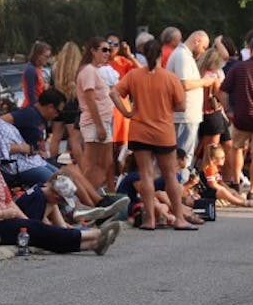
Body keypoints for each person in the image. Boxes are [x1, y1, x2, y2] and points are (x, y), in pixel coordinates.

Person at [0, 138, 119, 253]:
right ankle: (94, 235)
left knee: (36, 232)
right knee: (36, 230)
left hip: (6, 218)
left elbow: (9, 201)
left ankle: (91, 245)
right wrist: (3, 214)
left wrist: (23, 218)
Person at [111, 38, 196, 230]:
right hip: (163, 131)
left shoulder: (134, 76)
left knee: (146, 175)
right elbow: (182, 105)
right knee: (170, 175)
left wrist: (127, 113)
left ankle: (149, 219)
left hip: (139, 131)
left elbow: (114, 93)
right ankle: (180, 219)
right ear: (160, 55)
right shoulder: (170, 78)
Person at [220, 34, 253, 202]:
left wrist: (228, 110)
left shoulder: (239, 67)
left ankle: (235, 182)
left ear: (249, 49)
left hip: (241, 115)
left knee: (237, 148)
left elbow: (223, 90)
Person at [166, 30, 213, 170]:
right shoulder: (182, 56)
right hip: (184, 116)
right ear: (197, 40)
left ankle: (180, 186)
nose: (204, 52)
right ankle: (179, 187)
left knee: (184, 154)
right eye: (204, 47)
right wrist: (204, 82)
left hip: (187, 115)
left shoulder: (185, 55)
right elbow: (184, 83)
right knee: (183, 155)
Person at [76, 39, 115, 192]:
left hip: (101, 121)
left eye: (109, 50)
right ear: (93, 50)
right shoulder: (88, 71)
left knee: (106, 163)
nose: (107, 53)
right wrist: (99, 126)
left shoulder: (93, 70)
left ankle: (91, 196)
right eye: (104, 50)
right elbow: (90, 98)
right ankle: (83, 198)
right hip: (94, 122)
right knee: (91, 165)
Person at [22, 41, 51, 108]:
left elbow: (38, 89)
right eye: (46, 56)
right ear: (38, 55)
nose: (47, 59)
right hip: (31, 108)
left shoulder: (37, 69)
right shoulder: (31, 70)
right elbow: (31, 93)